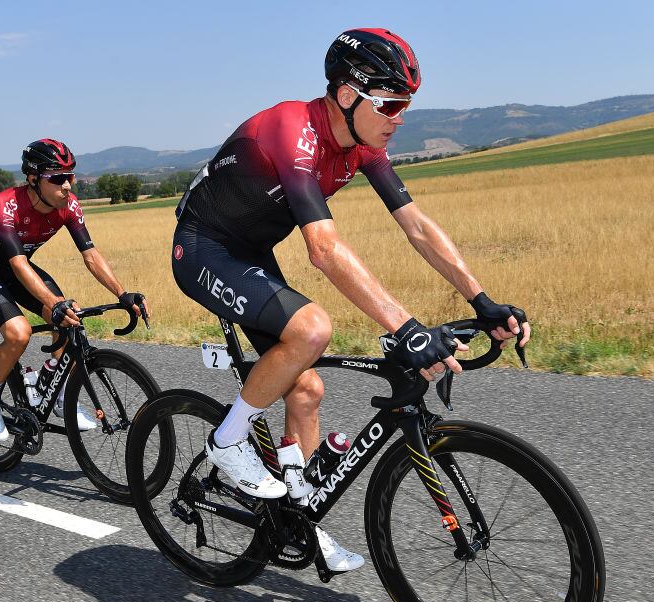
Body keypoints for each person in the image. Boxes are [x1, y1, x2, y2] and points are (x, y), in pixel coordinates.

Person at [171, 28, 530, 573]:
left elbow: (418, 229)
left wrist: (483, 301)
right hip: (202, 248)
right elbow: (323, 247)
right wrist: (406, 327)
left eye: (406, 104)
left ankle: (301, 521)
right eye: (390, 103)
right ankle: (227, 439)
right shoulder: (295, 132)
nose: (399, 117)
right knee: (312, 329)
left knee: (308, 389)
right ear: (347, 95)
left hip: (251, 252)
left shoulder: (363, 145)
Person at [0, 138, 148, 444]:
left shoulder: (68, 206)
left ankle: (57, 392)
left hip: (18, 266)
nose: (68, 185)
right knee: (19, 333)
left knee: (70, 320)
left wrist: (122, 294)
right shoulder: (5, 205)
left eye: (71, 176)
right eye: (58, 178)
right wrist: (52, 303)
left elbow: (90, 255)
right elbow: (18, 265)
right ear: (33, 179)